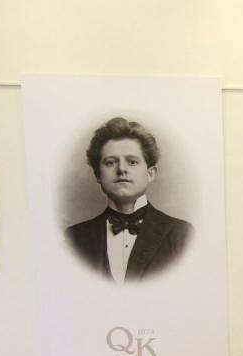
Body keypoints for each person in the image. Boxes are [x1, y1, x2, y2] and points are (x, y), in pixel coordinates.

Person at [64, 117, 193, 283]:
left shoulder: (181, 235)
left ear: (150, 173)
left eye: (132, 162)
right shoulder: (75, 238)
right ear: (98, 175)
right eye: (110, 162)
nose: (121, 169)